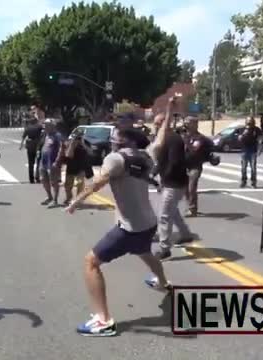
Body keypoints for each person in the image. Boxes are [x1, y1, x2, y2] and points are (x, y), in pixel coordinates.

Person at [65, 127, 171, 337]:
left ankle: (103, 321)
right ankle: (163, 283)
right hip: (149, 223)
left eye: (115, 138)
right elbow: (160, 138)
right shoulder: (146, 154)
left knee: (91, 262)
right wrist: (169, 111)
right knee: (144, 252)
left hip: (130, 229)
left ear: (124, 142)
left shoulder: (115, 159)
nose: (112, 141)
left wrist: (74, 202)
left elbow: (96, 184)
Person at [150, 97, 194, 260]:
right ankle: (185, 234)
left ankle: (164, 248)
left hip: (174, 183)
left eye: (156, 124)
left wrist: (164, 180)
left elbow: (175, 163)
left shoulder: (173, 139)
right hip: (172, 181)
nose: (154, 127)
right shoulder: (163, 139)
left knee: (164, 215)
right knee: (172, 211)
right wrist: (155, 173)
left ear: (163, 124)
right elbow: (162, 161)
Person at [182, 116, 212, 217]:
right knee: (185, 188)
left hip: (195, 166)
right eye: (185, 122)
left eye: (188, 122)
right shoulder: (184, 135)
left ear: (195, 124)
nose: (185, 124)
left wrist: (185, 140)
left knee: (191, 187)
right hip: (184, 165)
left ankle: (192, 208)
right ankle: (190, 206)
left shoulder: (199, 138)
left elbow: (194, 149)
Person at [59, 129, 90, 205]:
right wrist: (72, 144)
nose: (78, 139)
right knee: (68, 185)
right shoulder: (69, 143)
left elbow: (89, 152)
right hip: (71, 166)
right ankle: (69, 198)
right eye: (77, 137)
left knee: (80, 184)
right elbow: (69, 155)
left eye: (80, 136)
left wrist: (82, 143)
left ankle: (78, 200)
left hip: (80, 167)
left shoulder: (85, 143)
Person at [38, 119, 63, 207]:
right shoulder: (46, 134)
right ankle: (49, 197)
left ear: (53, 126)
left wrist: (57, 161)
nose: (45, 126)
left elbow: (61, 148)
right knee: (43, 180)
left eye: (48, 125)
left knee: (54, 182)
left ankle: (55, 200)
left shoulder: (57, 135)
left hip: (52, 162)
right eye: (45, 125)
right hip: (44, 162)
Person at [20, 109, 44, 184]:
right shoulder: (39, 126)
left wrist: (21, 145)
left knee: (31, 163)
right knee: (38, 162)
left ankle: (31, 179)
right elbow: (43, 133)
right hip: (38, 146)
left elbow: (23, 137)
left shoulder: (28, 127)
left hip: (30, 146)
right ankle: (37, 177)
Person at [238, 117, 262, 188]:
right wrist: (244, 133)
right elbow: (239, 139)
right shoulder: (242, 129)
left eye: (250, 121)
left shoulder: (256, 129)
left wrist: (260, 149)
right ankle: (243, 181)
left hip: (253, 150)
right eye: (248, 121)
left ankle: (253, 182)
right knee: (243, 167)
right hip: (244, 150)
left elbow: (260, 139)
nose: (249, 123)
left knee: (253, 168)